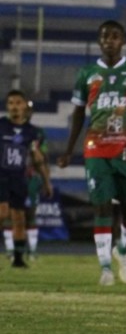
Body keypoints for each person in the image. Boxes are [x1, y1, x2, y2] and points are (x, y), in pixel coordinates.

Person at [57, 20, 126, 286]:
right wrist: (69, 150)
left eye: (114, 36)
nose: (109, 40)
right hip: (96, 151)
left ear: (123, 41)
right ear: (99, 41)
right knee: (102, 207)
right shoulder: (87, 73)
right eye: (105, 36)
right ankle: (105, 267)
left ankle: (123, 252)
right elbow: (78, 114)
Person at [0, 90, 52, 268]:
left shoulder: (32, 132)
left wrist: (46, 182)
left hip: (19, 178)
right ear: (7, 106)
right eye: (11, 103)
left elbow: (38, 161)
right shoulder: (1, 125)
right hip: (1, 176)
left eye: (18, 103)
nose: (14, 107)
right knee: (2, 212)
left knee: (19, 218)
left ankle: (18, 259)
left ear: (24, 106)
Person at [23, 100, 50, 260]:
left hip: (31, 177)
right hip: (10, 177)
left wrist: (47, 180)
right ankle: (13, 251)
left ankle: (31, 250)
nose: (27, 113)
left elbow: (43, 157)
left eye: (30, 110)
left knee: (31, 213)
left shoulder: (38, 132)